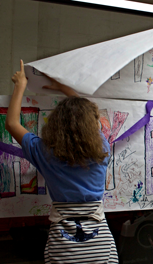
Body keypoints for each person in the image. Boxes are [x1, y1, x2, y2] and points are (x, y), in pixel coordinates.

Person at [5, 60, 119, 263]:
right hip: (101, 246)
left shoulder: (45, 153)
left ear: (55, 125)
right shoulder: (102, 149)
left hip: (62, 247)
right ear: (92, 126)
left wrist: (20, 85)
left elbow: (12, 123)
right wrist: (63, 88)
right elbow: (89, 116)